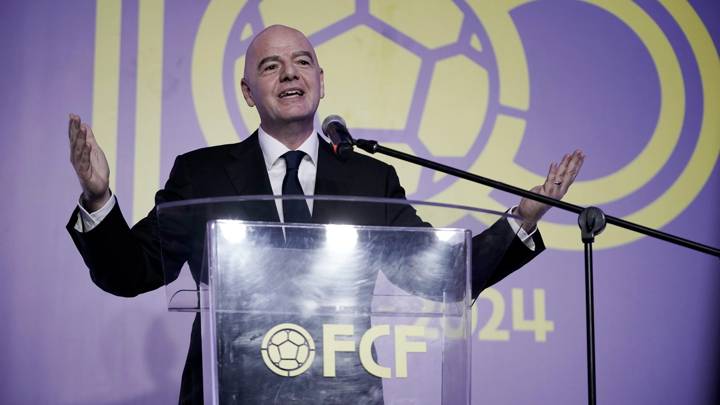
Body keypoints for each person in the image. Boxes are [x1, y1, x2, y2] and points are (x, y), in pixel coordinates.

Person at [67, 25, 584, 404]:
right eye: (271, 65)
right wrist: (98, 198)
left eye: (303, 61)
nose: (290, 72)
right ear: (249, 92)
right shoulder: (200, 176)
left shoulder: (369, 178)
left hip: (344, 393)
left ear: (320, 81)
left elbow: (441, 275)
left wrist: (523, 216)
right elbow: (130, 271)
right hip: (230, 392)